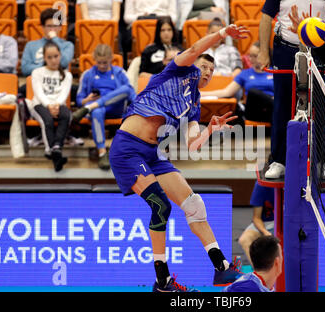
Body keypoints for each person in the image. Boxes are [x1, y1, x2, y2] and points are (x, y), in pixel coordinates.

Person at [109, 24, 249, 292]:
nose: (207, 71)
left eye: (211, 69)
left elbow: (193, 146)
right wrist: (221, 34)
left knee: (194, 205)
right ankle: (162, 282)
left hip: (153, 154)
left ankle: (221, 268)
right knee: (161, 206)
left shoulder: (194, 106)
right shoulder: (173, 71)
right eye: (203, 66)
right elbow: (197, 48)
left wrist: (210, 130)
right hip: (127, 149)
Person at [257, 0, 325, 179]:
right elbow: (266, 17)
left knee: (318, 106)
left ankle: (321, 161)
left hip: (317, 51)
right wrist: (263, 51)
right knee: (282, 105)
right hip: (284, 50)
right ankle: (279, 161)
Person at [73, 44, 137, 170]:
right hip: (98, 110)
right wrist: (87, 100)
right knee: (96, 111)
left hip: (116, 108)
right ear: (94, 59)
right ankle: (102, 153)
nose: (102, 65)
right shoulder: (88, 74)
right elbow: (79, 100)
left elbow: (131, 94)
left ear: (111, 59)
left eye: (105, 63)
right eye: (99, 62)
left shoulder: (119, 72)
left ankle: (91, 107)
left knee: (125, 89)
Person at [27, 40, 73, 172]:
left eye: (56, 56)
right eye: (49, 57)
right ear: (44, 58)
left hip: (58, 103)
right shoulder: (37, 72)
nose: (53, 60)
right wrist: (49, 106)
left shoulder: (67, 74)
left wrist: (57, 105)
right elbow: (38, 92)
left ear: (60, 55)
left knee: (66, 115)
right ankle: (52, 151)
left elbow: (64, 93)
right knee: (47, 120)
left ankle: (56, 147)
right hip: (40, 104)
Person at [201, 41, 274, 123]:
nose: (251, 59)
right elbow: (226, 92)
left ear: (264, 55)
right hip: (253, 112)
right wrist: (202, 94)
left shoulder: (274, 72)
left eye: (255, 56)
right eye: (250, 55)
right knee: (253, 92)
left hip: (270, 111)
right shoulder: (245, 74)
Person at [237, 182, 274, 267]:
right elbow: (256, 218)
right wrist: (265, 232)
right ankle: (259, 273)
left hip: (286, 223)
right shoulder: (261, 184)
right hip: (266, 224)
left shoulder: (295, 184)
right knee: (244, 240)